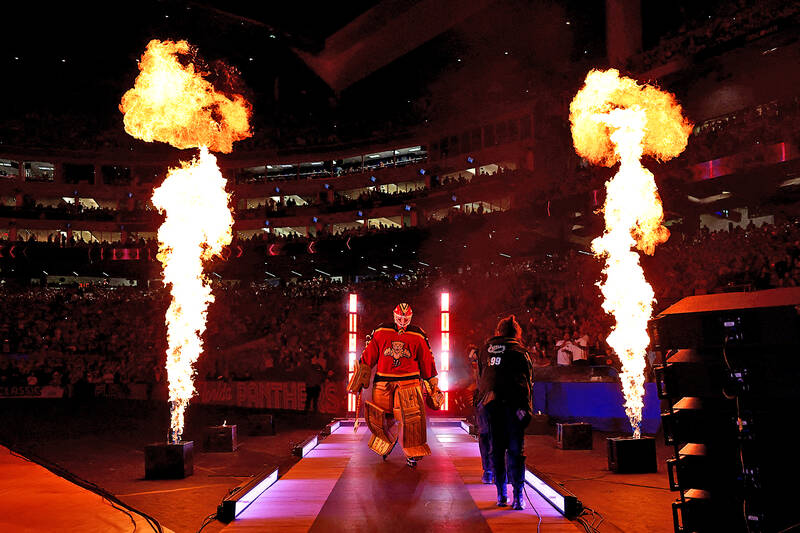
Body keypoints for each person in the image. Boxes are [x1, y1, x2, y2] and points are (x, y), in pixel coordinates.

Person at [347, 303, 443, 467]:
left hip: (409, 382)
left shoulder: (418, 334)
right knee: (383, 416)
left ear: (411, 317)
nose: (403, 321)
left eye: (406, 318)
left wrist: (431, 381)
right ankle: (385, 443)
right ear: (394, 316)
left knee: (410, 418)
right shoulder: (381, 331)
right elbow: (368, 355)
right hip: (384, 381)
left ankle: (412, 451)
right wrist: (361, 375)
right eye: (400, 318)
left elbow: (427, 358)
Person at [477, 315, 533, 510]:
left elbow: (481, 379)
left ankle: (501, 495)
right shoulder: (520, 351)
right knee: (516, 452)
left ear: (498, 332)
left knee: (497, 450)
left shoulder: (484, 350)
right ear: (516, 333)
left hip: (490, 406)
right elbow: (527, 382)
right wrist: (527, 409)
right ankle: (518, 497)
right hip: (513, 406)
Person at [468, 343, 493, 484]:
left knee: (489, 436)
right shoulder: (478, 367)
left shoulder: (488, 364)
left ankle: (492, 470)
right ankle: (488, 470)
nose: (473, 362)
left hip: (489, 401)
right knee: (484, 435)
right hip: (483, 402)